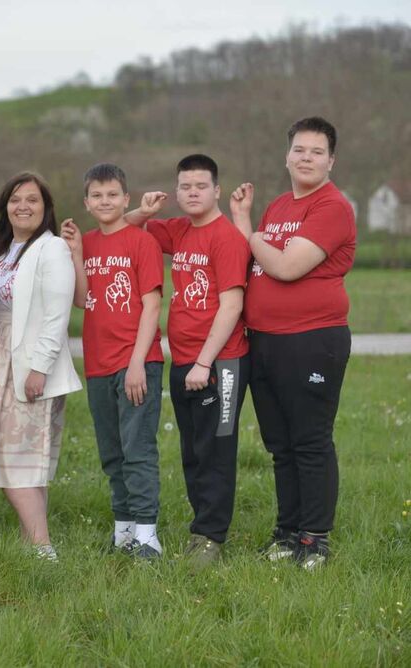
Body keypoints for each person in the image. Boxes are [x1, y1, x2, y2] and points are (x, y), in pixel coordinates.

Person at [229, 116, 356, 570]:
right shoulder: (280, 206)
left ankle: (314, 538)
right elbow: (253, 261)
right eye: (299, 150)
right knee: (280, 445)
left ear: (331, 160)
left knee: (309, 440)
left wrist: (250, 233)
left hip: (312, 340)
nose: (306, 158)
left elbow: (285, 267)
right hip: (265, 341)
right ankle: (287, 532)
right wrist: (249, 227)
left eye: (317, 152)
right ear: (287, 156)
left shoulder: (332, 207)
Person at [121, 154, 251, 568]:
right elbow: (124, 228)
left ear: (217, 190)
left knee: (216, 451)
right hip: (184, 362)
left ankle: (211, 538)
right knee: (193, 451)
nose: (193, 193)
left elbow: (232, 305)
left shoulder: (226, 237)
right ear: (176, 191)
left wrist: (204, 363)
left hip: (219, 363)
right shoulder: (178, 230)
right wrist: (145, 210)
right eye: (185, 187)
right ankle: (201, 529)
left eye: (201, 186)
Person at [62, 163, 164, 560]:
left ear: (126, 199)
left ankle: (148, 535)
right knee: (112, 451)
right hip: (98, 363)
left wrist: (137, 363)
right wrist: (75, 254)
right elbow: (81, 299)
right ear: (87, 202)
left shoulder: (142, 241)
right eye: (97, 195)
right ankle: (124, 531)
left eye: (112, 195)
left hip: (136, 362)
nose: (105, 201)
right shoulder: (86, 242)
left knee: (137, 449)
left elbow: (152, 305)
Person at [0, 171, 81, 562]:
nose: (23, 206)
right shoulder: (0, 248)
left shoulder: (51, 248)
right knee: (17, 459)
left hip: (28, 362)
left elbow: (57, 315)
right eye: (15, 199)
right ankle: (32, 545)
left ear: (46, 207)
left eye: (32, 199)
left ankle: (42, 547)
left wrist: (39, 368)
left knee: (14, 460)